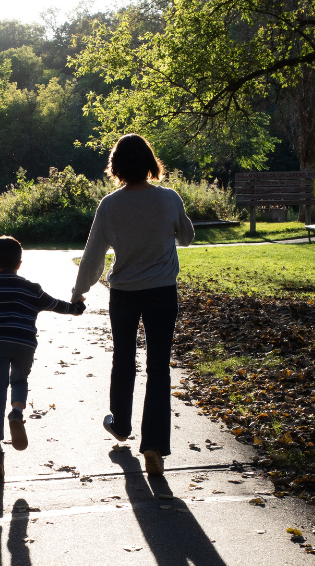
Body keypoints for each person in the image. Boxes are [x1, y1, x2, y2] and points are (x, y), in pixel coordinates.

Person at [71, 134, 195, 476]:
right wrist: (177, 221)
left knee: (124, 357)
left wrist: (80, 290)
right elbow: (185, 238)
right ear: (150, 164)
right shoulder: (169, 199)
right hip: (161, 291)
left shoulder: (110, 205)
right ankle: (153, 444)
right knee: (158, 366)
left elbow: (94, 253)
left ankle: (121, 424)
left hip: (124, 292)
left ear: (118, 166)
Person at [0, 236, 85, 476]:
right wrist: (76, 307)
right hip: (24, 344)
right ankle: (17, 413)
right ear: (19, 264)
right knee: (19, 381)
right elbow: (56, 305)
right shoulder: (32, 288)